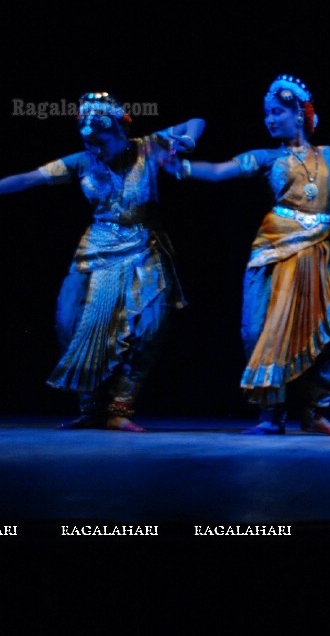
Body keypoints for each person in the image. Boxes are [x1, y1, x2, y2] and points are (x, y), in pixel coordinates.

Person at [175, 74, 330, 435]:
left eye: (277, 112)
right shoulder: (266, 157)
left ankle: (313, 409)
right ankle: (269, 414)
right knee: (259, 330)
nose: (270, 119)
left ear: (300, 114)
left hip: (321, 254)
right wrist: (180, 168)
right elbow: (217, 171)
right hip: (275, 249)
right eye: (266, 114)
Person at [0, 92, 205, 431]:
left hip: (143, 245)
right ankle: (90, 407)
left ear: (119, 132)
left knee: (149, 325)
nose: (95, 149)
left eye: (100, 141)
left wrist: (186, 140)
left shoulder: (147, 147)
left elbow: (197, 120)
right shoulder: (83, 160)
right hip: (96, 247)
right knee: (70, 320)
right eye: (89, 142)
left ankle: (119, 410)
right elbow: (28, 178)